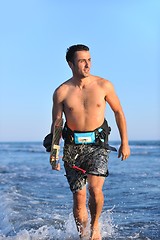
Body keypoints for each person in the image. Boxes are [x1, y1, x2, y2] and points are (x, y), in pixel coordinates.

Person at [49, 44, 130, 240]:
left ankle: (94, 229)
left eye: (89, 60)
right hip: (72, 147)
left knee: (95, 190)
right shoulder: (62, 91)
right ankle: (82, 236)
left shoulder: (104, 85)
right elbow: (57, 123)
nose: (87, 65)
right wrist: (54, 153)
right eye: (82, 61)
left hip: (97, 145)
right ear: (70, 64)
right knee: (79, 198)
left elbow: (118, 112)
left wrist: (125, 142)